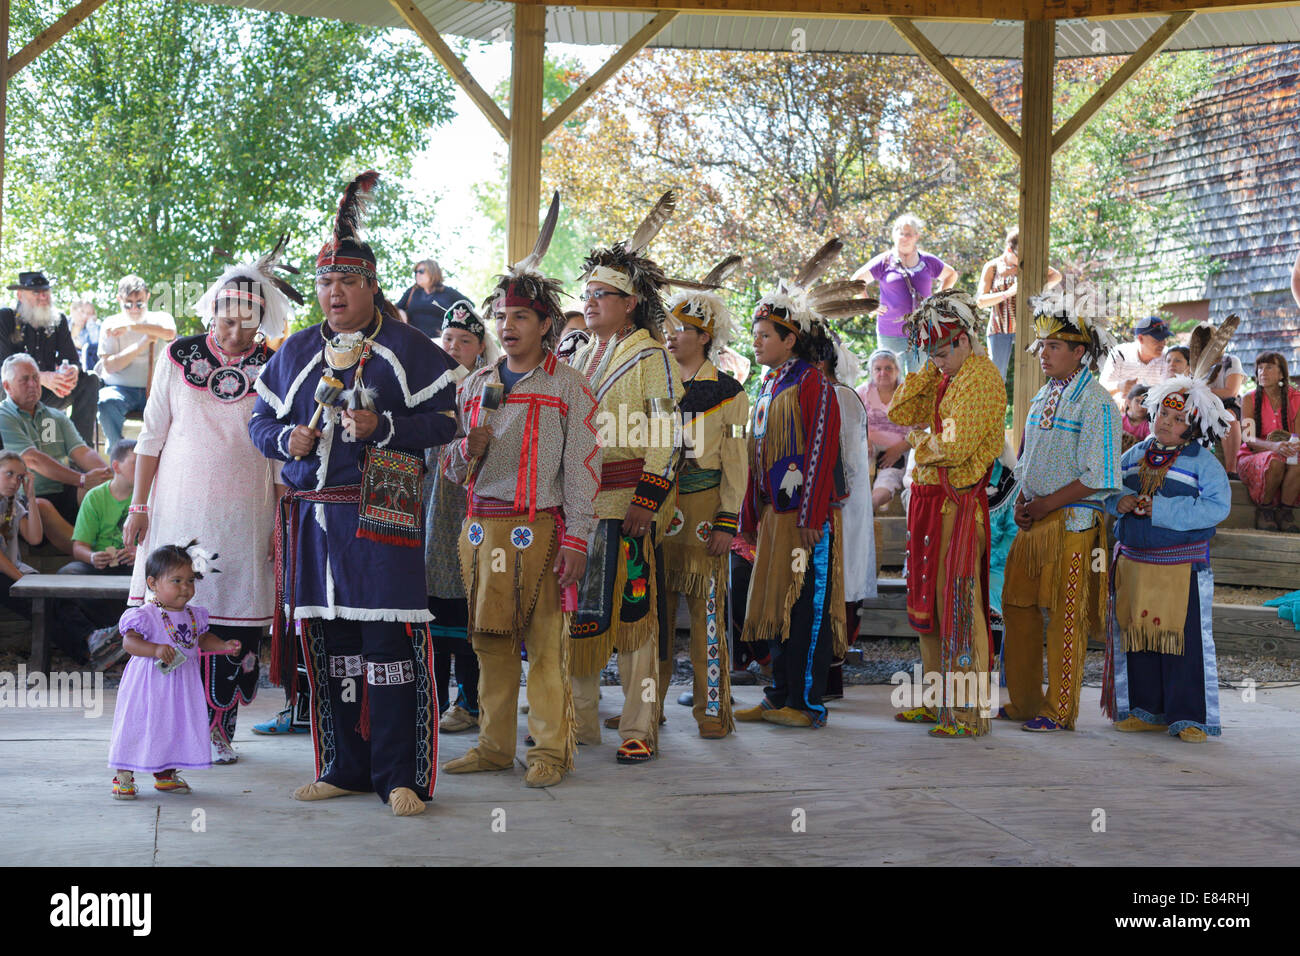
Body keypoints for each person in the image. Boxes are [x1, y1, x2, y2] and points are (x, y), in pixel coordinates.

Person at [249, 172, 458, 816]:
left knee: (389, 653)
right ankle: (342, 766)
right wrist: (288, 442)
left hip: (382, 523)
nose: (333, 293)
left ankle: (403, 775)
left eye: (346, 282)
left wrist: (384, 427)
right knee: (330, 655)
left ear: (371, 286)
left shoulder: (407, 348)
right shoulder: (296, 352)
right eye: (324, 283)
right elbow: (258, 424)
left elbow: (447, 421)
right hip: (315, 524)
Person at [441, 196, 601, 787]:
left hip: (543, 527)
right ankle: (492, 745)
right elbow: (452, 470)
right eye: (501, 320)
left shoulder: (569, 387)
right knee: (489, 644)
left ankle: (550, 751)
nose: (508, 328)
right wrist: (466, 450)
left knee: (545, 647)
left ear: (546, 326)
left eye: (521, 319)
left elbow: (585, 468)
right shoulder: (474, 385)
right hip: (483, 527)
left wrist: (579, 539)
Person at [124, 242, 295, 764]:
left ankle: (218, 732)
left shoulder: (276, 365)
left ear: (263, 320)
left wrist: (280, 522)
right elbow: (151, 436)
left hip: (247, 515)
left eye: (247, 322)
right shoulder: (178, 357)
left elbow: (283, 454)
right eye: (225, 318)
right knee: (173, 612)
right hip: (178, 510)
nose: (234, 331)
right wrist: (138, 507)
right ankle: (168, 731)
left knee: (232, 624)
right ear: (211, 311)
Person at [734, 238, 872, 729]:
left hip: (806, 520)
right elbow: (757, 455)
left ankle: (806, 704)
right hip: (775, 516)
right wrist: (750, 517)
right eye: (755, 334)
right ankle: (778, 697)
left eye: (765, 335)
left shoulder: (813, 384)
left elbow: (820, 448)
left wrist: (814, 515)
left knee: (804, 610)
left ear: (790, 339)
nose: (756, 342)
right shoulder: (769, 386)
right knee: (773, 606)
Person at [568, 191, 684, 764]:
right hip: (582, 505)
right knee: (581, 614)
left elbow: (667, 432)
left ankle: (639, 725)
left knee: (635, 621)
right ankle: (579, 721)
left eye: (600, 294)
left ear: (630, 302)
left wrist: (649, 496)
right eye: (585, 294)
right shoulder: (586, 355)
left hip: (628, 501)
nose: (589, 302)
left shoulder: (651, 356)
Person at [999, 292, 1121, 732]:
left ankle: (1059, 708)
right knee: (1017, 607)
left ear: (1079, 352)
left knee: (1066, 615)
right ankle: (1027, 700)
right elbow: (1028, 461)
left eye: (1054, 346)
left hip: (1074, 524)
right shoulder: (1041, 396)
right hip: (1035, 519)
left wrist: (1046, 503)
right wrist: (1021, 504)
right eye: (1042, 344)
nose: (1043, 353)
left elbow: (1100, 474)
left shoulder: (1098, 403)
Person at [887, 289, 1005, 737]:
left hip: (956, 507)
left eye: (940, 349)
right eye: (929, 351)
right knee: (930, 606)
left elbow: (953, 449)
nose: (935, 359)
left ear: (963, 340)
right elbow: (901, 410)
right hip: (930, 502)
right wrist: (926, 366)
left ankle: (969, 711)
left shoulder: (980, 379)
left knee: (959, 605)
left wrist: (918, 443)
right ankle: (939, 702)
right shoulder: (946, 376)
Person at [1102, 362, 1234, 742]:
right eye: (1162, 412)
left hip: (1181, 568)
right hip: (1135, 563)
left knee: (1182, 642)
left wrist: (1159, 510)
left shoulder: (1204, 464)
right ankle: (1146, 709)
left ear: (1193, 428)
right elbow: (1108, 489)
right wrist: (1120, 501)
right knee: (1139, 637)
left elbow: (1216, 508)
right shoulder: (1133, 456)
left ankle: (1188, 716)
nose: (1164, 421)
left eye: (1177, 419)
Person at [660, 257, 750, 737]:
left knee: (707, 616)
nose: (672, 336)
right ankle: (646, 710)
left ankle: (712, 710)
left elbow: (737, 458)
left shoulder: (732, 394)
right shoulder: (658, 385)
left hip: (703, 510)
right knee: (651, 615)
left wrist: (727, 519)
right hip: (657, 510)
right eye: (668, 328)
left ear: (706, 336)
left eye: (683, 329)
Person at [107, 542, 242, 799]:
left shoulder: (194, 615)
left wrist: (223, 646)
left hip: (181, 686)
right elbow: (129, 642)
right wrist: (155, 649)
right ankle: (123, 775)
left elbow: (201, 640)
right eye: (176, 580)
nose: (185, 587)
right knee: (139, 725)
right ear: (153, 582)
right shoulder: (145, 615)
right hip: (148, 685)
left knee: (173, 726)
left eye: (190, 581)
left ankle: (166, 774)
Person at [426, 300, 488, 734]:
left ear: (479, 349)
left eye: (464, 341)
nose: (453, 347)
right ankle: (433, 698)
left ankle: (470, 702)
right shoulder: (423, 385)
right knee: (430, 606)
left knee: (466, 604)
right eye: (448, 338)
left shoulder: (487, 388)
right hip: (427, 506)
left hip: (466, 505)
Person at [811, 326, 876, 699]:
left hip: (840, 508)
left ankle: (828, 678)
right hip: (839, 505)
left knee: (838, 587)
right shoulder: (838, 395)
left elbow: (843, 460)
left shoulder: (837, 396)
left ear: (819, 361)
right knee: (836, 587)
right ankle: (826, 679)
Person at [0, 450, 107, 664]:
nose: (14, 481)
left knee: (54, 600)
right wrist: (23, 579)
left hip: (11, 570)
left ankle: (92, 646)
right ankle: (90, 646)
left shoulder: (11, 504)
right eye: (9, 474)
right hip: (5, 573)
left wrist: (30, 496)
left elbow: (34, 537)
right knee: (40, 601)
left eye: (20, 477)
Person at [0, 353, 111, 547]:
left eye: (36, 378)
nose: (33, 384)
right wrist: (81, 479)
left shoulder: (55, 416)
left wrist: (109, 476)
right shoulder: (3, 417)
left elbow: (83, 452)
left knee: (100, 488)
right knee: (43, 506)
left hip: (62, 490)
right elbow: (32, 460)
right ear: (7, 387)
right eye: (24, 380)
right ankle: (94, 554)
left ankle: (117, 543)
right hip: (26, 498)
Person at [0, 271, 100, 444]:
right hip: (10, 392)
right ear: (20, 295)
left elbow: (72, 358)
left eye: (45, 292)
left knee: (90, 379)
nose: (42, 297)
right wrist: (40, 378)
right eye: (36, 292)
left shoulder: (58, 319)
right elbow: (4, 366)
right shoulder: (6, 317)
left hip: (48, 391)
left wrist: (71, 372)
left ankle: (81, 451)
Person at [853, 214, 956, 375]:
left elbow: (951, 275)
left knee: (919, 382)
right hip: (890, 333)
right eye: (900, 233)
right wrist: (869, 306)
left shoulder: (927, 261)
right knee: (891, 380)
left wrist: (937, 300)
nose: (904, 238)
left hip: (922, 333)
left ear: (916, 236)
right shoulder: (884, 261)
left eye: (908, 234)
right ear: (894, 235)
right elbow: (856, 281)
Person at [96, 275, 177, 450]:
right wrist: (142, 344)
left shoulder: (160, 318)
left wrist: (131, 327)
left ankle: (164, 454)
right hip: (120, 390)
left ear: (147, 297)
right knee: (105, 401)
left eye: (139, 303)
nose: (134, 308)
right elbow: (109, 366)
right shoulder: (111, 323)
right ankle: (117, 453)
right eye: (128, 303)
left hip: (157, 389)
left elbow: (169, 333)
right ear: (119, 300)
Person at [976, 227, 1063, 381]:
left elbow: (1056, 276)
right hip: (999, 329)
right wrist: (1008, 293)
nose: (1024, 258)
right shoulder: (992, 267)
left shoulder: (1028, 265)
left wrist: (1037, 290)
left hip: (1026, 328)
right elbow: (981, 301)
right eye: (1020, 254)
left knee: (1031, 377)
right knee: (996, 378)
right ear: (1010, 250)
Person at [1236, 351, 1300, 532]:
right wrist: (1274, 447)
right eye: (1260, 368)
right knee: (1274, 460)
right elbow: (1248, 437)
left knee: (1297, 464)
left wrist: (1290, 448)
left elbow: (1298, 435)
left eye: (1269, 367)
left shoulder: (1296, 398)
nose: (1263, 372)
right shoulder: (1249, 398)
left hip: (1288, 450)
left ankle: (1285, 513)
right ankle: (1265, 511)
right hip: (1253, 455)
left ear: (1281, 374)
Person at [857, 349, 913, 511]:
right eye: (878, 368)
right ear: (871, 372)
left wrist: (899, 448)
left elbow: (921, 427)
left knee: (888, 478)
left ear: (897, 370)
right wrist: (864, 438)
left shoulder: (908, 393)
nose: (883, 373)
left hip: (899, 450)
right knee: (861, 465)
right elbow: (852, 422)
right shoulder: (863, 392)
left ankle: (868, 507)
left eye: (888, 368)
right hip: (868, 447)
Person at [1187, 321, 1246, 471]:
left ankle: (1231, 469)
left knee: (1229, 417)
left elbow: (1230, 392)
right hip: (1200, 405)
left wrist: (1201, 390)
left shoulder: (1230, 361)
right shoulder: (1192, 366)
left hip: (1227, 404)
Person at [1100, 314, 1171, 406]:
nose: (1163, 344)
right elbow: (1099, 389)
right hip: (1121, 414)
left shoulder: (1168, 357)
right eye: (1158, 339)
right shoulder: (1120, 354)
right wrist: (1119, 387)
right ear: (1141, 339)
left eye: (1164, 338)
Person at [396, 258, 466, 338]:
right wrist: (402, 315)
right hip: (413, 340)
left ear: (433, 272)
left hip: (440, 342)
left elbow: (469, 307)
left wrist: (453, 328)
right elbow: (396, 308)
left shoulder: (448, 292)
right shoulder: (412, 291)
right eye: (416, 272)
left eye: (421, 271)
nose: (417, 274)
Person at [69, 299, 100, 371]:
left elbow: (95, 348)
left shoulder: (93, 328)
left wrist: (91, 325)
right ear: (73, 310)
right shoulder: (65, 323)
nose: (85, 316)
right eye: (82, 311)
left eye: (89, 313)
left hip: (84, 367)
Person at [1122, 383, 1151, 451]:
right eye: (1137, 401)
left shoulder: (1148, 426)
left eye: (1145, 403)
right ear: (1129, 402)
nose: (1141, 406)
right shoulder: (1120, 420)